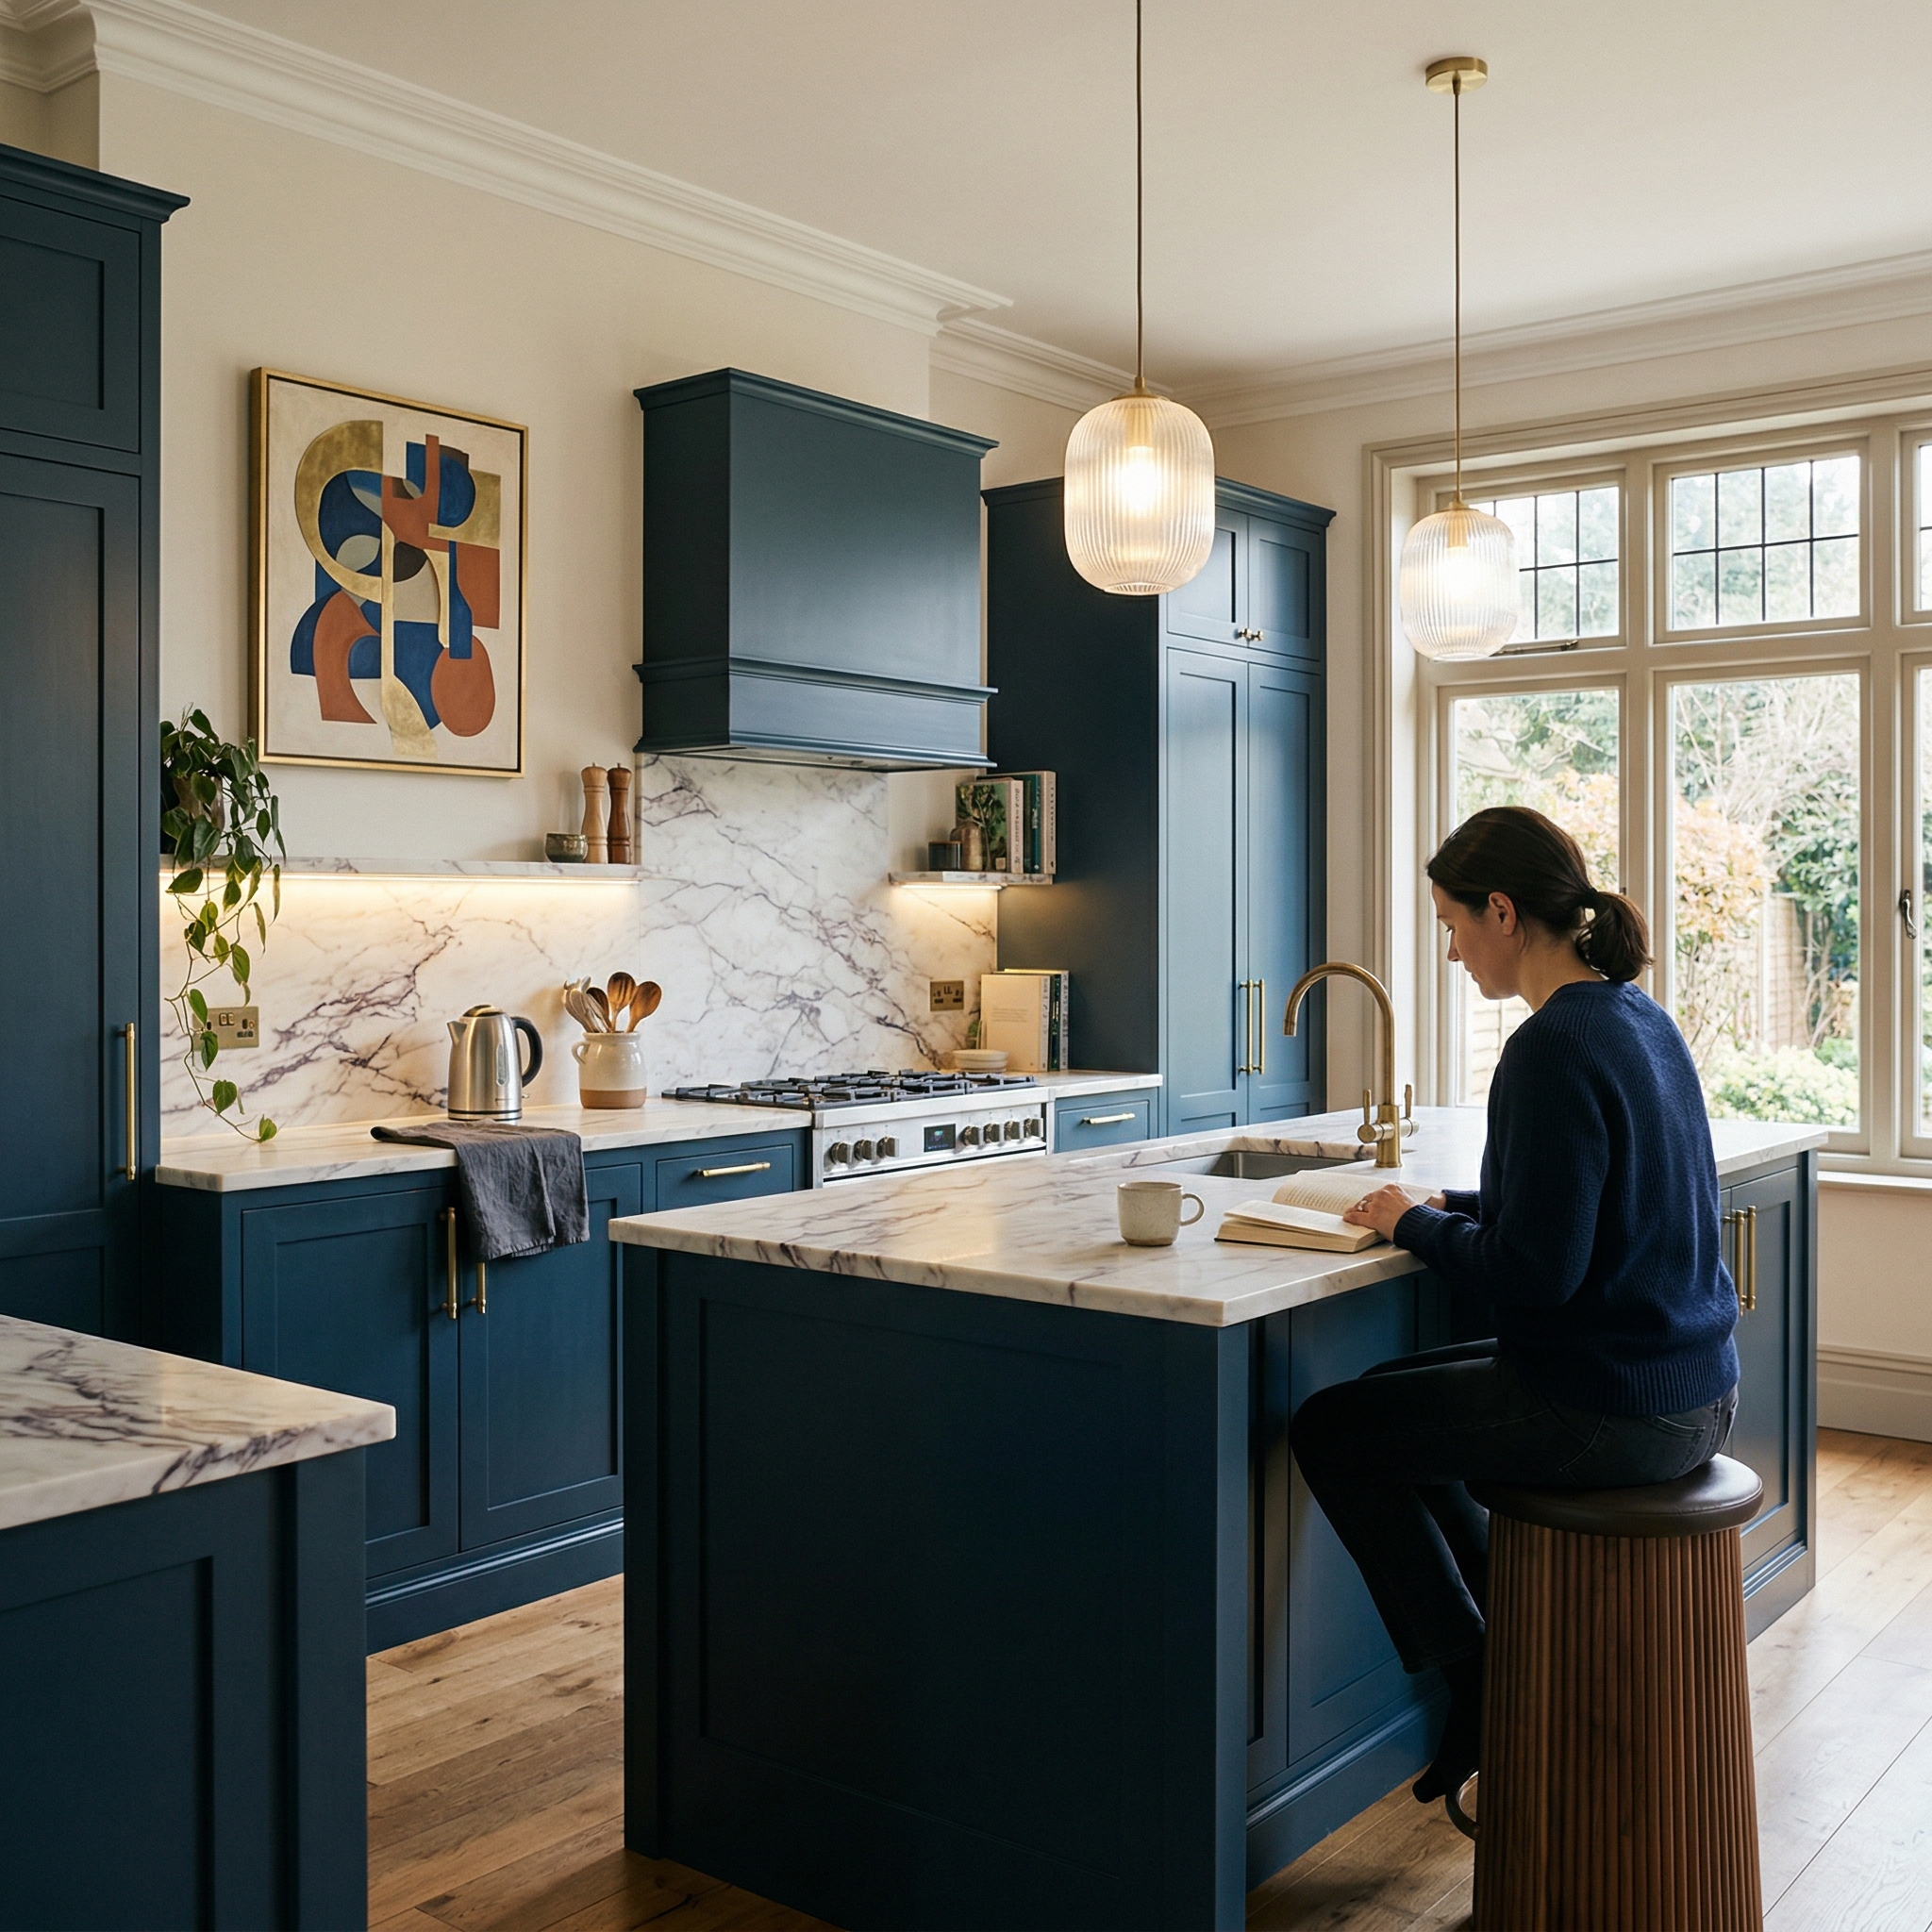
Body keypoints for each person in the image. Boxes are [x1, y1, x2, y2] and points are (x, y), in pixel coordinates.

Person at [1289, 805, 1740, 1825]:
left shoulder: (1546, 1048)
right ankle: (1502, 1634)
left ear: (1501, 911)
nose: (1449, 950)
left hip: (1610, 1408)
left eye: (1451, 923)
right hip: (1690, 1387)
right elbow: (1608, 1202)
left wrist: (1410, 1224)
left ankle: (1480, 1674)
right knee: (1380, 1406)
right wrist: (1458, 1207)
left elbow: (1534, 1275)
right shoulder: (1634, 1015)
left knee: (1332, 1429)